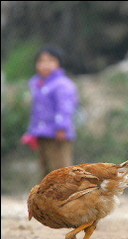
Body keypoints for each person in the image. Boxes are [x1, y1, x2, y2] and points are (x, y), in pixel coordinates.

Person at [21, 45, 79, 180]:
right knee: (45, 169)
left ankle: (65, 198)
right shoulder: (37, 84)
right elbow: (36, 111)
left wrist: (62, 127)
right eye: (41, 61)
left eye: (50, 61)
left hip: (58, 134)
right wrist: (32, 131)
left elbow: (65, 107)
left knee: (60, 169)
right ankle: (47, 199)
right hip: (42, 132)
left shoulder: (62, 84)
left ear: (59, 63)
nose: (45, 65)